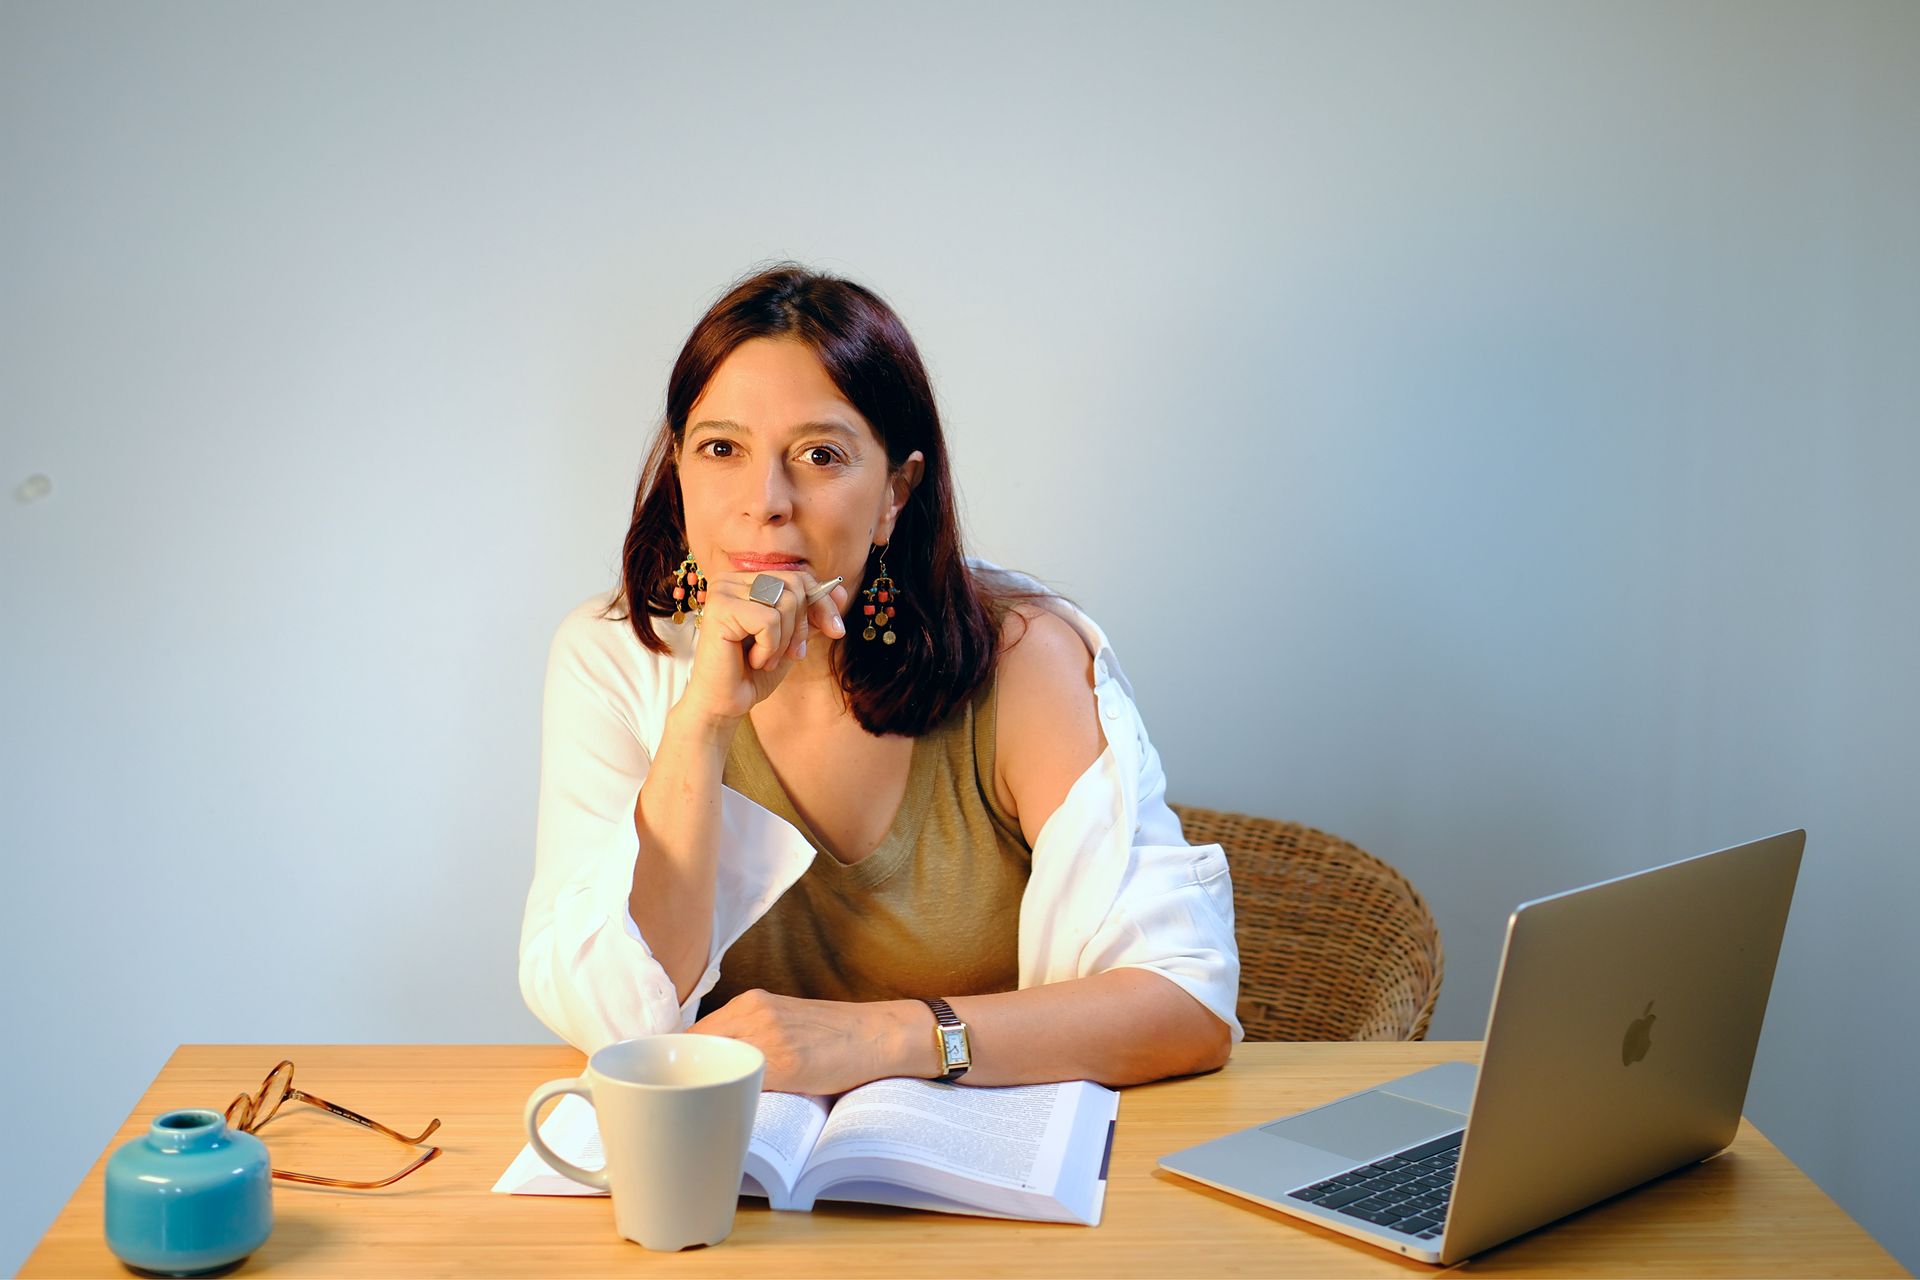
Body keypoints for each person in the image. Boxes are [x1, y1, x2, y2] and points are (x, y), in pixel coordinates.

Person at [518, 263, 1240, 1096]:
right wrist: (704, 722)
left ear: (897, 489)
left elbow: (1185, 1004)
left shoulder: (1024, 656)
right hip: (728, 1186)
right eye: (721, 449)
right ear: (678, 472)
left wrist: (883, 1036)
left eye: (820, 455)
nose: (767, 500)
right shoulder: (611, 657)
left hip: (983, 1186)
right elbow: (620, 1021)